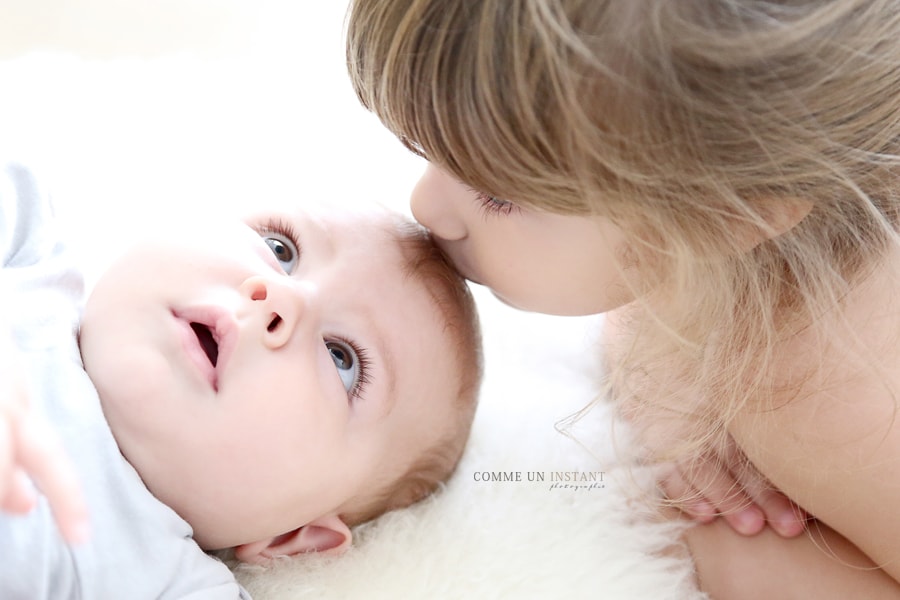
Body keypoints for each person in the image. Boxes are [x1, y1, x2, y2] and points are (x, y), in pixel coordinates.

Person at [345, 0, 900, 596]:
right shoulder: (719, 204)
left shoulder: (840, 400)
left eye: (497, 195)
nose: (425, 207)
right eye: (420, 149)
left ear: (726, 219)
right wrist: (660, 374)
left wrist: (717, 537)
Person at [0, 159, 482, 598]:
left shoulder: (167, 580)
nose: (280, 298)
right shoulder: (27, 249)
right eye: (281, 248)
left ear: (294, 538)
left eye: (342, 358)